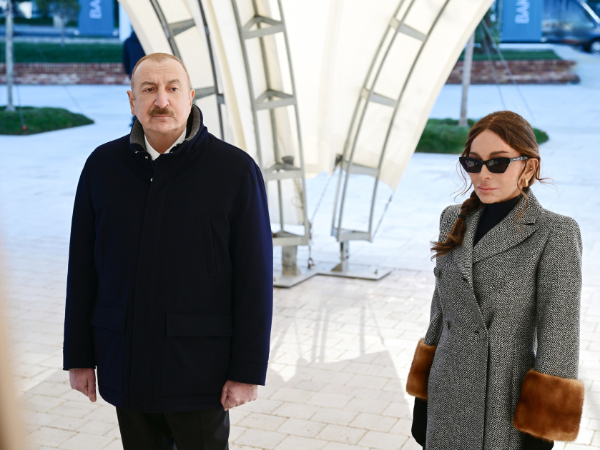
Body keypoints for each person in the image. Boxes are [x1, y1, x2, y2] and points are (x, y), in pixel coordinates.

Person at [63, 53, 273, 450]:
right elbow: (83, 269)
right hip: (125, 360)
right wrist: (79, 356)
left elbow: (255, 279)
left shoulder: (234, 171)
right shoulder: (102, 166)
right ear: (132, 101)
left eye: (172, 88)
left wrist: (247, 370)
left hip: (200, 369)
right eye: (149, 89)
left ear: (189, 97)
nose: (162, 101)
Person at [405, 111, 584, 449]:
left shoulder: (555, 233)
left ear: (528, 167)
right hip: (446, 389)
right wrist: (422, 394)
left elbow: (559, 334)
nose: (482, 175)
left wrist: (542, 427)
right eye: (473, 163)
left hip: (505, 400)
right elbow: (440, 311)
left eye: (498, 163)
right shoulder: (452, 218)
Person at [122, 31, 145, 126]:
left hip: (134, 73)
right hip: (147, 72)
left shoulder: (128, 41)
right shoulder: (146, 41)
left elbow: (125, 58)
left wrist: (128, 72)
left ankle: (135, 118)